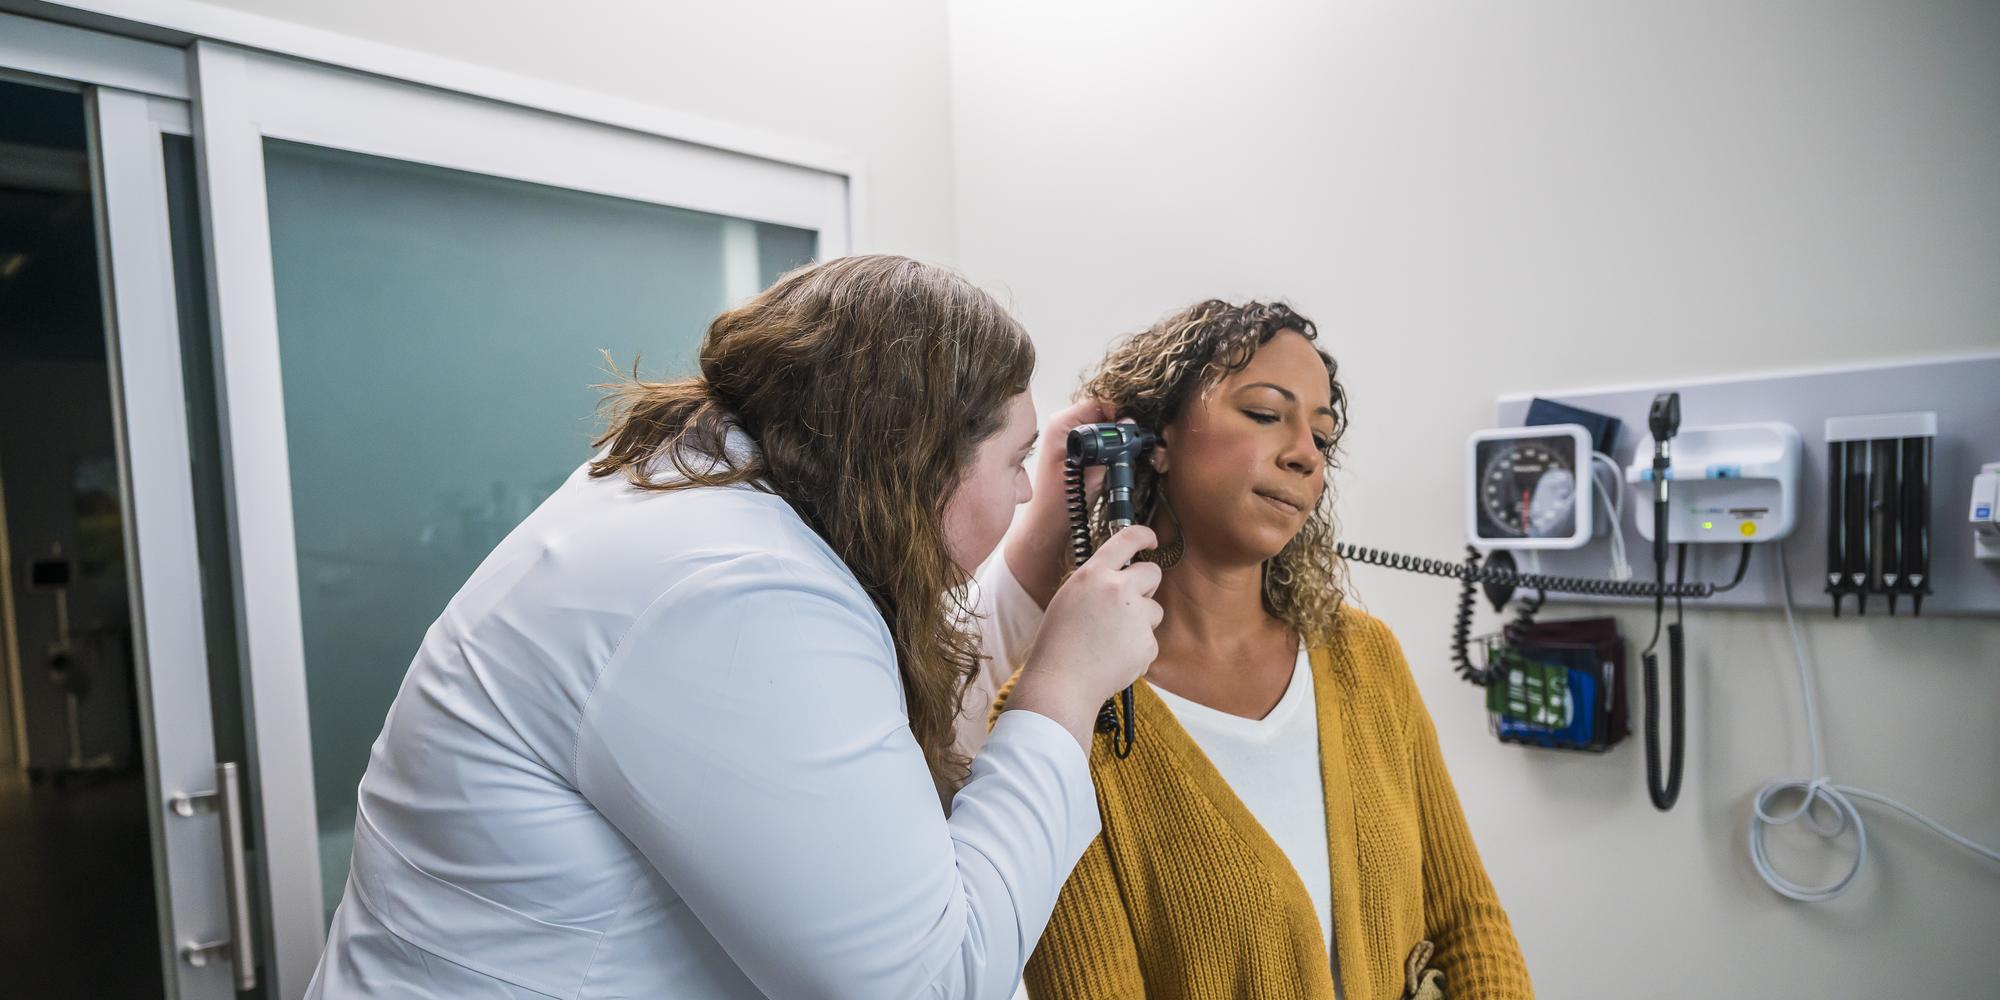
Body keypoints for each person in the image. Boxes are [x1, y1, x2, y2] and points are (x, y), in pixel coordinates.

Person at [305, 255, 1163, 999]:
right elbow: (929, 980)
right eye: (1013, 463)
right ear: (913, 459)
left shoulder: (692, 497)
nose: (1022, 495)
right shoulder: (741, 599)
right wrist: (1062, 689)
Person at [964, 300, 1533, 999]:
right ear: (1154, 440)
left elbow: (1469, 922)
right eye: (1266, 414)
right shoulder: (1066, 720)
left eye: (1322, 439)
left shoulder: (1366, 659)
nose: (1303, 455)